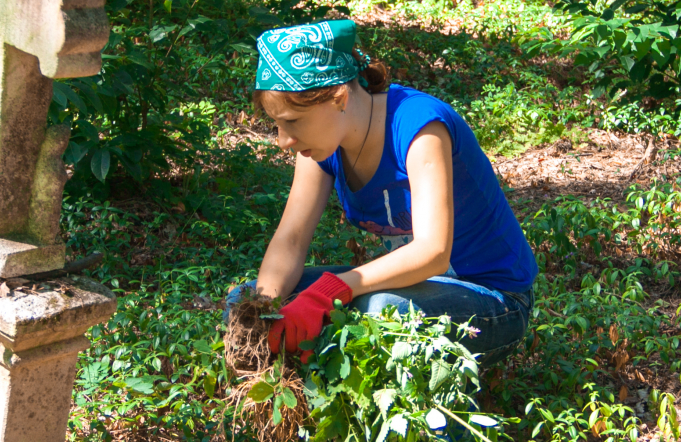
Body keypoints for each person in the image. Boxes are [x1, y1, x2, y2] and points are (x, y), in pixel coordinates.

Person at [225, 19, 538, 366]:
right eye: (277, 125)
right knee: (243, 301)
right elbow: (291, 240)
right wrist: (265, 313)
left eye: (294, 123)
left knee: (379, 313)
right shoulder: (321, 146)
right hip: (417, 288)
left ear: (338, 97)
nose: (284, 141)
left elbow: (433, 252)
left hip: (494, 301)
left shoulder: (419, 126)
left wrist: (330, 291)